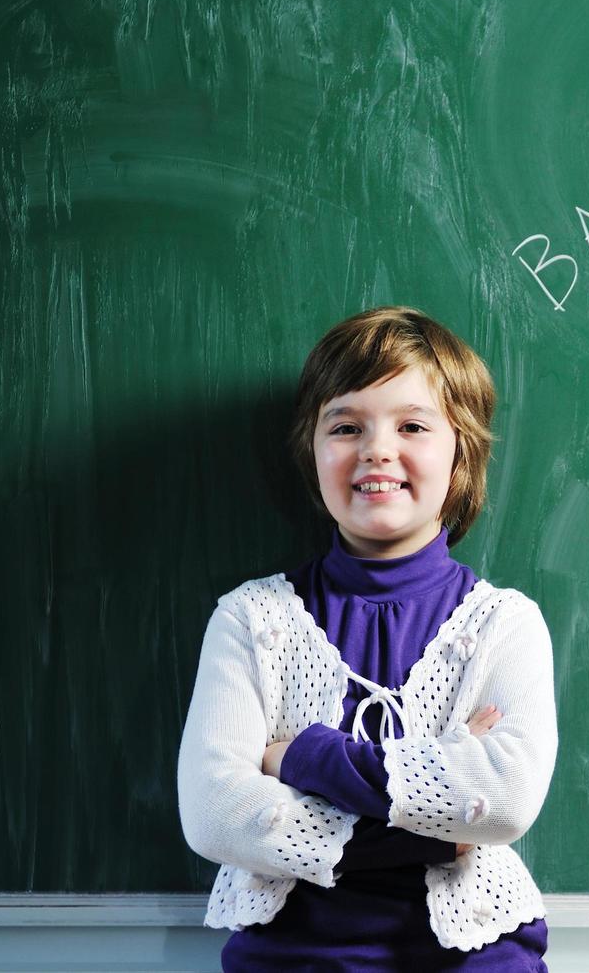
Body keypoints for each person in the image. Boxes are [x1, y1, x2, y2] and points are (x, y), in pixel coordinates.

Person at [177, 306, 557, 971]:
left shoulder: (505, 623)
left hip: (474, 959)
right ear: (313, 450)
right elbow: (213, 813)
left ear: (460, 451)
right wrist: (437, 834)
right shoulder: (251, 620)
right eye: (346, 426)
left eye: (412, 425)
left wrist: (304, 757)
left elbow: (501, 802)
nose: (378, 448)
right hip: (292, 959)